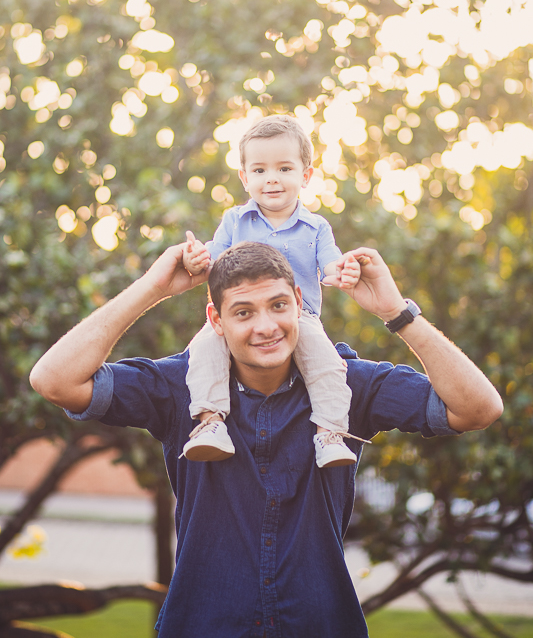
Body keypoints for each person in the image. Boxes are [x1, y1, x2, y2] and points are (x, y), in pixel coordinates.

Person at [30, 241, 503, 638]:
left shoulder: (349, 384)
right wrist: (153, 288)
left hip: (320, 623)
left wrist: (398, 313)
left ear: (299, 300)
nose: (266, 326)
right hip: (204, 623)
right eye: (243, 312)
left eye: (278, 305)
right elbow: (54, 380)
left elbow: (479, 409)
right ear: (216, 320)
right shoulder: (179, 387)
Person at [182, 114, 367, 469]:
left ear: (305, 175)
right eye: (260, 170)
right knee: (203, 349)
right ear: (245, 178)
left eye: (284, 169)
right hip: (239, 317)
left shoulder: (315, 226)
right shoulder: (235, 220)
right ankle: (210, 423)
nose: (272, 179)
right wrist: (195, 259)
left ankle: (329, 433)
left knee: (327, 363)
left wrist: (345, 269)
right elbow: (213, 258)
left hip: (300, 318)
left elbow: (330, 264)